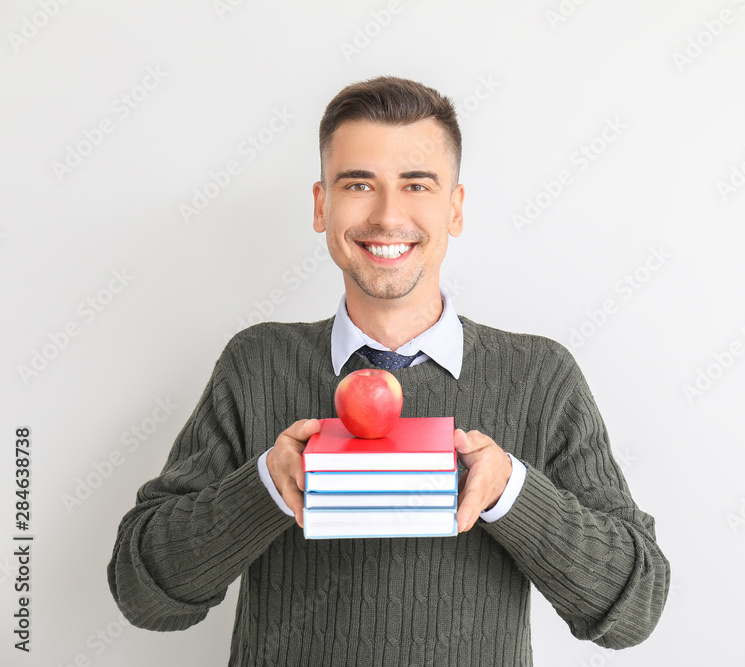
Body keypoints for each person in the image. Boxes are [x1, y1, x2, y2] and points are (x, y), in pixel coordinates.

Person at [107, 75, 669, 666]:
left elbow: (633, 610)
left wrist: (513, 493)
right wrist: (264, 488)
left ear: (454, 209)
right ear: (322, 205)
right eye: (358, 183)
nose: (387, 214)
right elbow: (145, 596)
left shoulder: (539, 375)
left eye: (417, 184)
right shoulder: (256, 364)